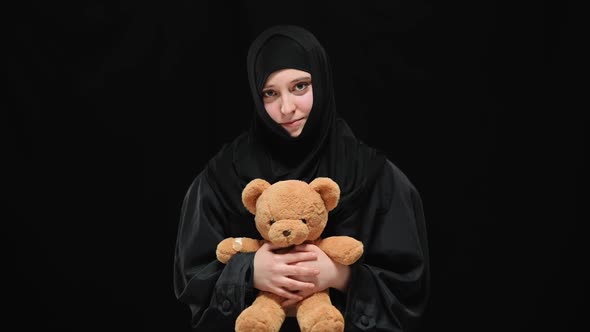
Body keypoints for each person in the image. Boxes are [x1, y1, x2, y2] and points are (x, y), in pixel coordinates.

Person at [173, 24, 430, 331]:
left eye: (300, 87)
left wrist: (339, 276)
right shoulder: (222, 176)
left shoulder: (374, 175)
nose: (286, 107)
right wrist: (249, 271)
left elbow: (411, 286)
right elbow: (190, 283)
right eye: (270, 93)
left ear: (321, 82)